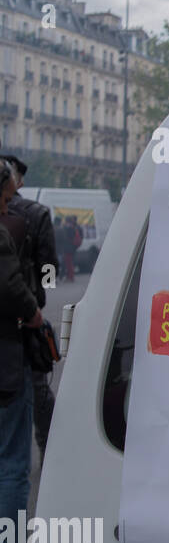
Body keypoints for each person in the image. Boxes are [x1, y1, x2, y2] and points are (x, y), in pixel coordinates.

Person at [0, 161, 45, 543]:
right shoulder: (5, 232)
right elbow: (13, 290)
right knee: (13, 462)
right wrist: (34, 315)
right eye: (6, 197)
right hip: (7, 362)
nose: (9, 204)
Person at [2, 155, 58, 453]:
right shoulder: (37, 213)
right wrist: (43, 293)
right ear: (18, 181)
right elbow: (48, 263)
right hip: (24, 312)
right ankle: (47, 446)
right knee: (36, 386)